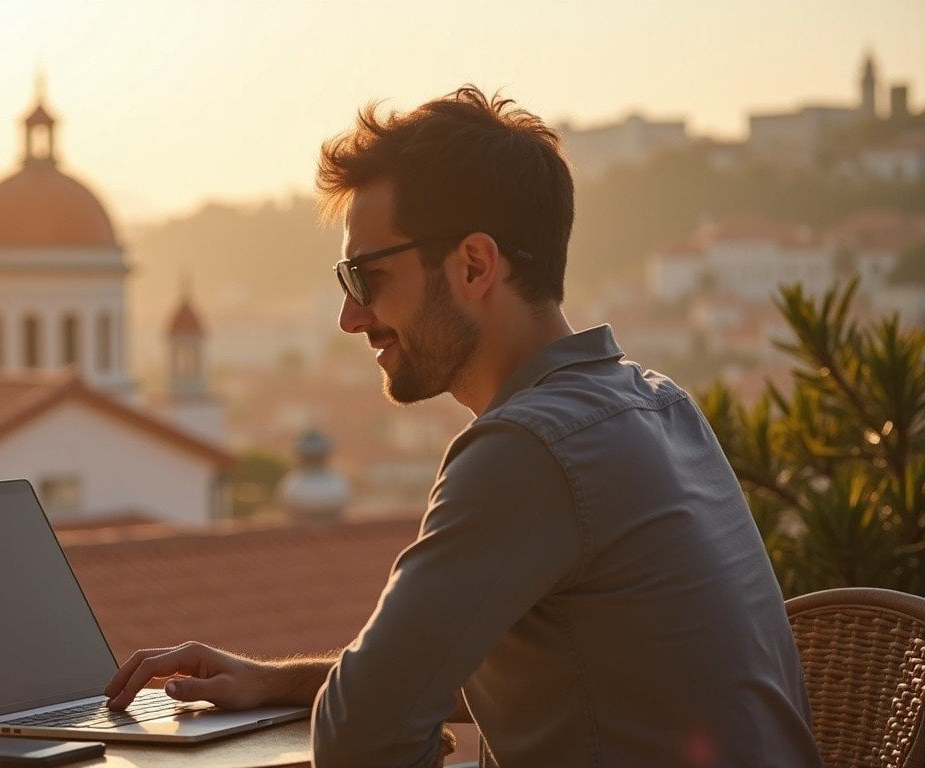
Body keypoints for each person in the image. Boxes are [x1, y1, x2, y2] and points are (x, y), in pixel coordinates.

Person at [104, 86, 822, 768]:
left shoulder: (529, 448)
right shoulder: (661, 405)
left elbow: (362, 735)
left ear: (475, 264)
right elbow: (496, 677)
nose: (350, 316)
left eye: (365, 277)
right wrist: (274, 682)